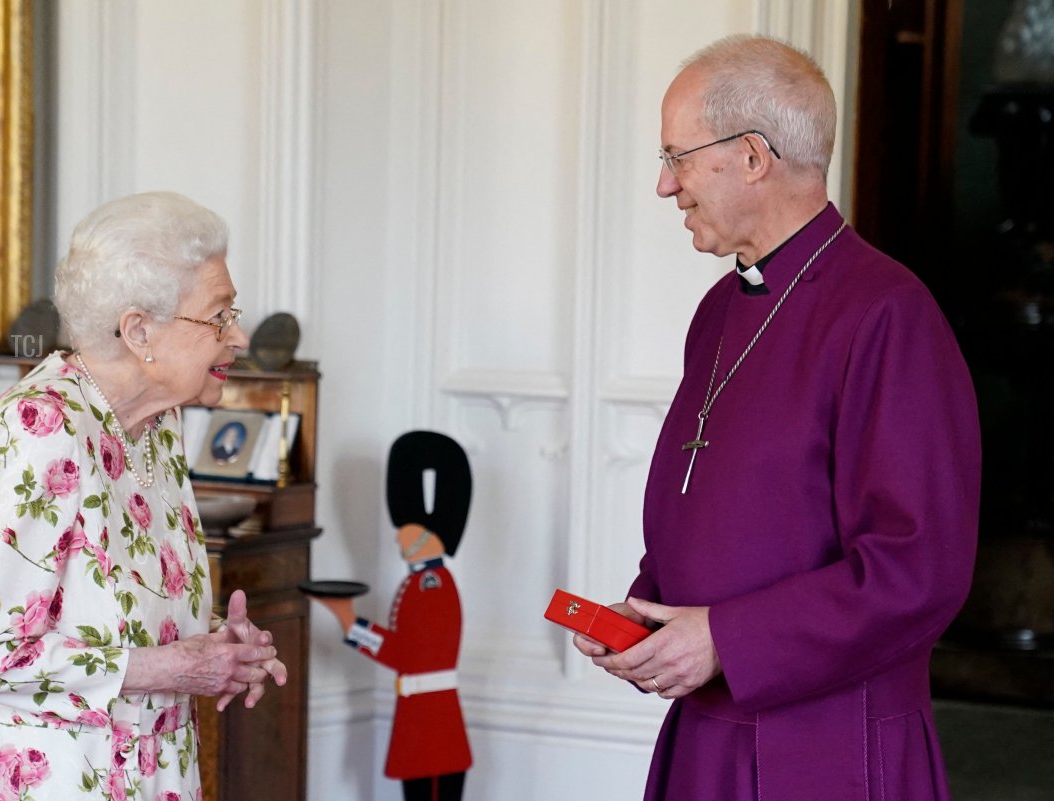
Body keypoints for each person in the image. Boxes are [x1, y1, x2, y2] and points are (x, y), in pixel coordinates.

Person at [572, 36, 980, 801]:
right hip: (706, 735)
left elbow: (919, 568)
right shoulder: (720, 309)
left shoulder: (889, 313)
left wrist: (725, 639)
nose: (666, 185)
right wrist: (654, 624)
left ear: (753, 157)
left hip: (828, 749)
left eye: (678, 157)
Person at [0, 191, 288, 801]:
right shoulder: (37, 431)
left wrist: (217, 647)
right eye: (218, 316)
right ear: (138, 331)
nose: (237, 336)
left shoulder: (158, 426)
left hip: (156, 775)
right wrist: (174, 668)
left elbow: (113, 607)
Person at [308, 431, 474, 801]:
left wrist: (352, 624)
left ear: (426, 539)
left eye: (407, 535)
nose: (399, 540)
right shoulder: (421, 582)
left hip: (431, 720)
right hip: (421, 716)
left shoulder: (432, 584)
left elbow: (408, 654)